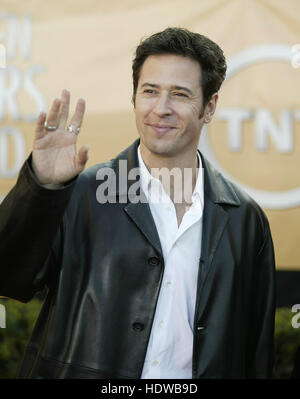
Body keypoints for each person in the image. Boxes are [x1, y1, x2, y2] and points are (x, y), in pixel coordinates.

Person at [0, 27, 276, 379]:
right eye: (150, 91)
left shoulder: (245, 219)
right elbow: (8, 278)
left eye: (179, 94)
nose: (161, 109)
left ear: (209, 107)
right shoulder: (82, 193)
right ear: (134, 98)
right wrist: (40, 189)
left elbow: (257, 351)